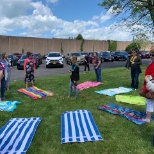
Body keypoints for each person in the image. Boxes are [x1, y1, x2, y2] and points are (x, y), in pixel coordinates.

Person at [141, 47, 154, 123]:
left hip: (151, 87)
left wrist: (145, 89)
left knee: (150, 102)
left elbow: (151, 79)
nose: (151, 56)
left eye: (152, 55)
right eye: (150, 54)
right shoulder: (152, 63)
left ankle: (148, 118)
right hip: (150, 85)